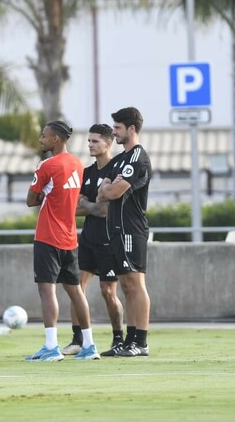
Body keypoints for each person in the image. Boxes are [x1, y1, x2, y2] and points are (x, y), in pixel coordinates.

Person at [24, 120, 99, 362]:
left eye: (44, 136)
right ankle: (89, 345)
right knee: (76, 292)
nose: (41, 139)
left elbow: (30, 199)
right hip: (70, 238)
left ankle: (51, 346)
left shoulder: (47, 165)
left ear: (56, 138)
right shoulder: (78, 164)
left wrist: (44, 192)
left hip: (48, 236)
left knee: (47, 290)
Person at [66, 123, 125, 357]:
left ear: (108, 143)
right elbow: (77, 207)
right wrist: (94, 206)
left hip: (109, 240)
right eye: (89, 141)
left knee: (108, 292)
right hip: (87, 239)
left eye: (95, 141)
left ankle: (118, 338)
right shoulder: (87, 173)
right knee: (75, 288)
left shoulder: (116, 169)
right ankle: (78, 339)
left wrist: (90, 206)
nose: (90, 145)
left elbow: (106, 211)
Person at [97, 107, 152, 357]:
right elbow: (101, 192)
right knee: (126, 286)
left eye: (118, 128)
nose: (114, 132)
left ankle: (141, 341)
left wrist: (109, 186)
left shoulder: (137, 158)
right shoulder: (119, 159)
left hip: (132, 229)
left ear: (131, 129)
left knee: (135, 283)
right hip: (115, 230)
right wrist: (108, 186)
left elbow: (112, 192)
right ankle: (129, 340)